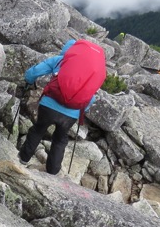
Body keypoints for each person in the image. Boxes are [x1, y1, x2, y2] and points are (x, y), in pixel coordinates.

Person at [19, 39, 106, 175]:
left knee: (38, 130)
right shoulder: (88, 73)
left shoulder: (60, 60)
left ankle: (23, 160)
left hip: (49, 105)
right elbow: (91, 96)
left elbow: (34, 72)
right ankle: (53, 171)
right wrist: (81, 110)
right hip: (71, 113)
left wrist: (28, 81)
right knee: (60, 139)